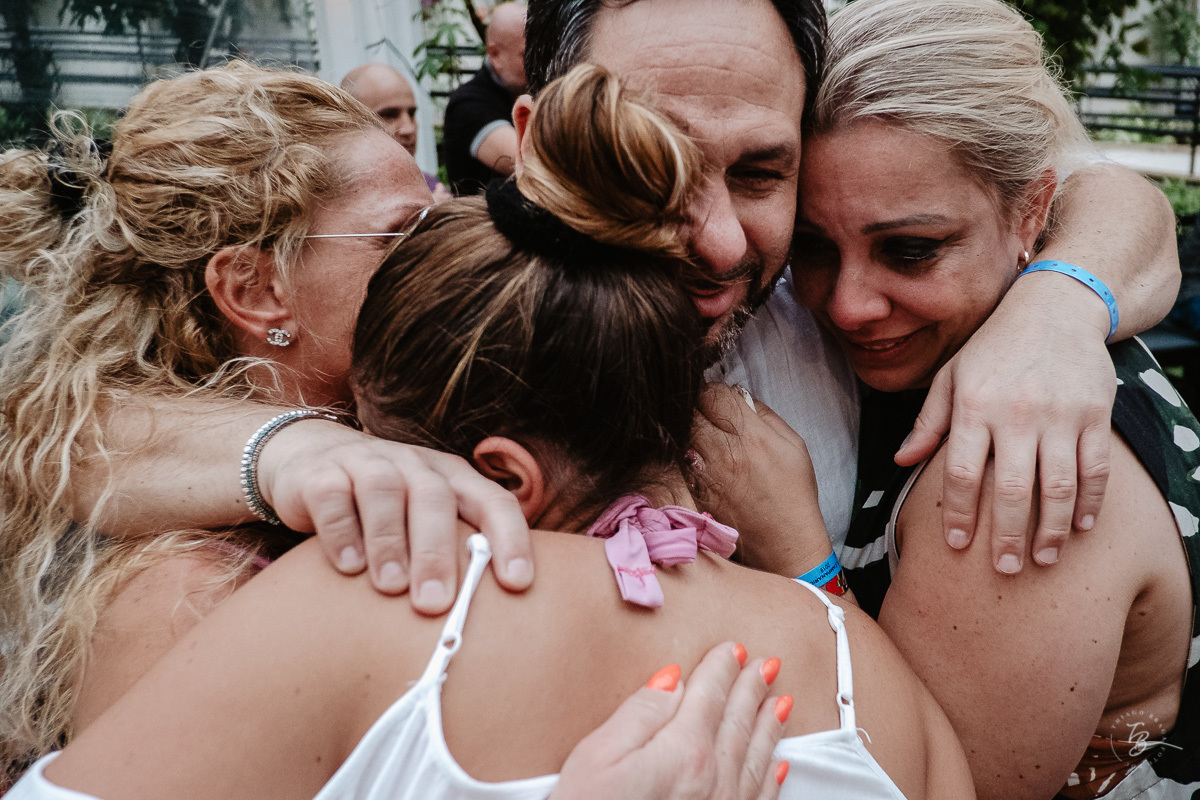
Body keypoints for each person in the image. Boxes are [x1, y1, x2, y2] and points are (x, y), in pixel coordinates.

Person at [6, 63, 973, 800]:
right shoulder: (198, 585)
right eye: (404, 238)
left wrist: (1060, 309)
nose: (462, 250)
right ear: (255, 289)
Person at [711, 0, 1200, 796]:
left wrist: (801, 558)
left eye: (910, 250)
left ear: (1033, 212)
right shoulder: (983, 331)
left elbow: (922, 785)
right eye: (814, 247)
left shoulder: (1025, 456)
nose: (849, 306)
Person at [443, 2, 526, 195]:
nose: (538, 62)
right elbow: (530, 163)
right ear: (495, 54)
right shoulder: (467, 104)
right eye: (527, 54)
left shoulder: (527, 90)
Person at [340, 62, 452, 203]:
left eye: (411, 113)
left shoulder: (430, 186)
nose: (409, 129)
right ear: (350, 122)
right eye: (389, 115)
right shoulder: (333, 199)